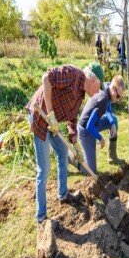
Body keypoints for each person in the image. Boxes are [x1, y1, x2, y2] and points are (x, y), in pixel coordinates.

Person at [26, 62, 104, 223]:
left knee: (62, 152)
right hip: (40, 117)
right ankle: (41, 217)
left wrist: (75, 142)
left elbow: (71, 119)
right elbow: (46, 79)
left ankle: (63, 194)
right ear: (94, 81)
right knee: (44, 169)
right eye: (99, 88)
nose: (97, 93)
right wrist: (51, 114)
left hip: (51, 124)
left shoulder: (81, 94)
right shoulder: (73, 74)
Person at [77, 75, 126, 174]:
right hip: (85, 130)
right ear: (113, 89)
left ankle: (112, 157)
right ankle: (70, 157)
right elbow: (89, 126)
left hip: (94, 123)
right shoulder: (103, 98)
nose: (118, 99)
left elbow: (109, 111)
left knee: (114, 120)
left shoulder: (107, 87)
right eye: (118, 96)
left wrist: (112, 124)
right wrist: (100, 138)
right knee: (91, 170)